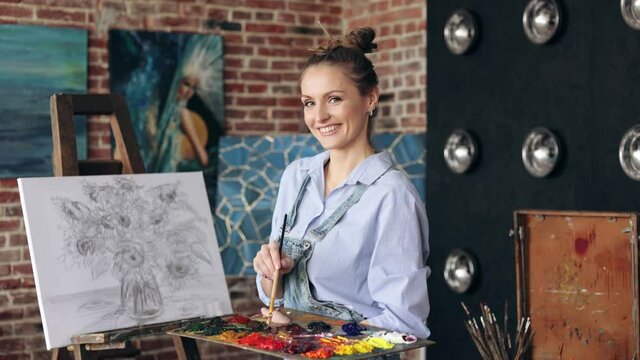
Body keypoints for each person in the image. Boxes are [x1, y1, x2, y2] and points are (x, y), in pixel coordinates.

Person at [252, 27, 430, 339]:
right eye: (309, 102)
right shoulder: (296, 177)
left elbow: (403, 323)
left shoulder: (392, 196)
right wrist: (270, 272)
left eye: (333, 99)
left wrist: (317, 339)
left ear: (370, 98)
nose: (318, 116)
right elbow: (273, 298)